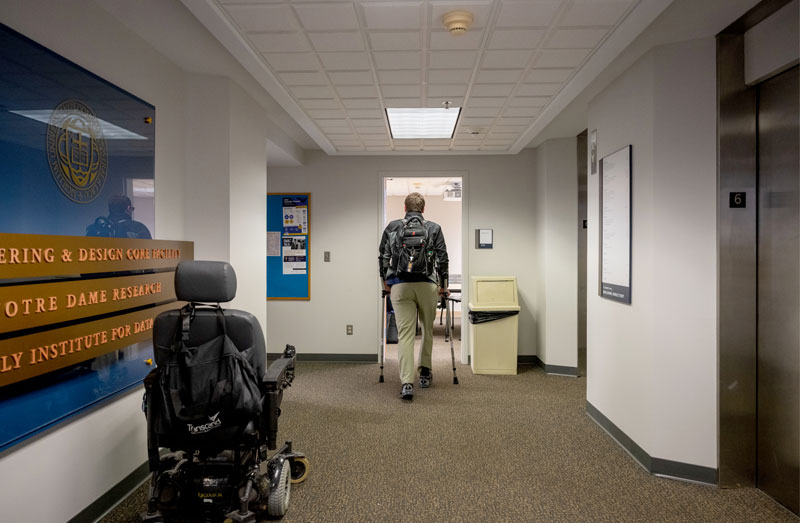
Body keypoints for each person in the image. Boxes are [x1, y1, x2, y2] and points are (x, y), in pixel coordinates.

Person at [379, 192, 449, 401]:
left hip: (400, 286)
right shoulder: (434, 228)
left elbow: (383, 256)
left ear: (404, 207)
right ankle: (425, 373)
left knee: (406, 334)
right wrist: (444, 287)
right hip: (428, 285)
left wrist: (385, 282)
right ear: (423, 209)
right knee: (427, 329)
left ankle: (407, 383)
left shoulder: (392, 227)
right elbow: (443, 259)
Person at [86, 195, 151, 239]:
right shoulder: (138, 228)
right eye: (132, 209)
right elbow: (148, 253)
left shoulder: (95, 228)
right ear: (128, 208)